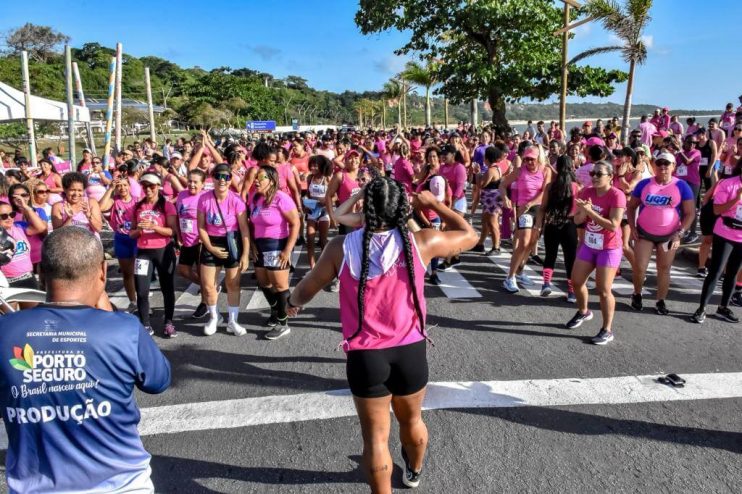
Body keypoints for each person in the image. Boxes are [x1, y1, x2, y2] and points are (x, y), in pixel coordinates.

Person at [286, 179, 478, 493]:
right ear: (404, 209)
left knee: (375, 438)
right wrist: (434, 205)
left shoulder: (341, 247)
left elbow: (306, 288)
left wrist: (292, 304)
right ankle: (414, 472)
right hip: (411, 350)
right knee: (413, 421)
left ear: (366, 207)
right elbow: (471, 235)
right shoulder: (421, 242)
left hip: (365, 356)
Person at [0, 227, 170, 493]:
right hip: (123, 484)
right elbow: (158, 381)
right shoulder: (124, 329)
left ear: (41, 273)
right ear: (102, 271)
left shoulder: (5, 331)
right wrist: (109, 313)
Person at [563, 161, 625, 344]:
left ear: (610, 177)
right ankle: (584, 311)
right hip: (590, 244)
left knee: (603, 289)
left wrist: (591, 212)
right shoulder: (587, 192)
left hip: (609, 247)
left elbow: (614, 225)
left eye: (599, 174)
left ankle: (607, 329)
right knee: (576, 281)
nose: (594, 177)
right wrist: (583, 212)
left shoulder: (616, 195)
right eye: (592, 173)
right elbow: (577, 220)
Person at [627, 152, 695, 315]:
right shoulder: (644, 184)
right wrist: (632, 228)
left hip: (669, 235)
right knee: (640, 267)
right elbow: (631, 207)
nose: (663, 166)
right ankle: (637, 294)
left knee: (664, 268)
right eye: (659, 163)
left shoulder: (681, 186)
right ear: (654, 166)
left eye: (667, 163)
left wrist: (680, 233)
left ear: (674, 166)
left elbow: (690, 213)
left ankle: (660, 300)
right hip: (644, 233)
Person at [198, 164, 251, 336]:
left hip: (231, 241)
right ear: (212, 178)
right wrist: (210, 248)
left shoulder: (236, 200)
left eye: (226, 177)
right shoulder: (204, 199)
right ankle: (214, 317)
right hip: (210, 242)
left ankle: (232, 321)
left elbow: (244, 230)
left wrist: (245, 254)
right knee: (207, 286)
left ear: (230, 180)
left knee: (233, 284)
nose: (222, 180)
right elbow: (201, 227)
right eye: (218, 176)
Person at [250, 165, 300, 340]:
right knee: (263, 283)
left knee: (280, 286)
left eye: (260, 177)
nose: (256, 180)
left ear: (271, 181)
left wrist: (287, 249)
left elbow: (295, 223)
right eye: (256, 177)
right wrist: (252, 246)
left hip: (277, 244)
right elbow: (252, 224)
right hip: (259, 246)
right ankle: (276, 309)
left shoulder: (281, 198)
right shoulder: (255, 198)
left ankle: (282, 323)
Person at [690, 159, 742, 323]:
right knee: (716, 271)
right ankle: (701, 309)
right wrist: (737, 198)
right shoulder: (728, 183)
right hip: (725, 232)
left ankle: (723, 308)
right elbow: (716, 209)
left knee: (733, 273)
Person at [130, 172, 178, 337]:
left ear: (158, 186)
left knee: (167, 288)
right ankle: (145, 325)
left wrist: (154, 226)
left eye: (151, 186)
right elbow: (131, 234)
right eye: (144, 186)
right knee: (142, 290)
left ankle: (169, 322)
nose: (148, 189)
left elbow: (172, 231)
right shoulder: (137, 206)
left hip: (163, 251)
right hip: (143, 252)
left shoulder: (167, 205)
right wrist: (140, 230)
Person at [500, 146, 552, 293]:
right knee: (523, 242)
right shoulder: (519, 171)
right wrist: (505, 197)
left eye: (532, 159)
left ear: (538, 159)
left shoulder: (545, 170)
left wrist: (532, 203)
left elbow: (544, 193)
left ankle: (520, 271)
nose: (529, 162)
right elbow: (503, 185)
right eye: (526, 159)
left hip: (539, 210)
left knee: (532, 242)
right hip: (525, 210)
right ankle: (509, 278)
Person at [535, 154, 579, 301]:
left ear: (557, 168)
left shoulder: (550, 186)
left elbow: (542, 208)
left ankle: (546, 284)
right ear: (571, 167)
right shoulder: (576, 187)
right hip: (570, 225)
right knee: (570, 259)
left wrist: (538, 226)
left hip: (552, 224)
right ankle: (572, 292)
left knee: (550, 255)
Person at [99, 175, 139, 312]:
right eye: (119, 186)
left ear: (129, 186)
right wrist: (110, 188)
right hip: (121, 239)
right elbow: (100, 207)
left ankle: (143, 301)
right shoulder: (114, 201)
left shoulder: (137, 200)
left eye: (125, 185)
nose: (122, 188)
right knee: (127, 273)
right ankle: (133, 302)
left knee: (139, 273)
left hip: (137, 239)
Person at [176, 169, 208, 318]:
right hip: (186, 239)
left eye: (196, 182)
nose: (192, 184)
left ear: (202, 184)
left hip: (200, 240)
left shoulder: (205, 197)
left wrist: (206, 236)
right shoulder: (182, 195)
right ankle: (208, 287)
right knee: (183, 270)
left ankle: (204, 304)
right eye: (190, 181)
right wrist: (178, 235)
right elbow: (178, 215)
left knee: (203, 273)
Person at [304, 155, 333, 269]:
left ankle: (324, 266)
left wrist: (325, 200)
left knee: (322, 241)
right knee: (310, 239)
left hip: (324, 212)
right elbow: (308, 193)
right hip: (312, 211)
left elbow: (335, 197)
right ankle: (313, 268)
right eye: (311, 165)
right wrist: (305, 201)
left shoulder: (327, 179)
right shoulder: (309, 178)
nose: (313, 167)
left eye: (316, 165)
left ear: (322, 166)